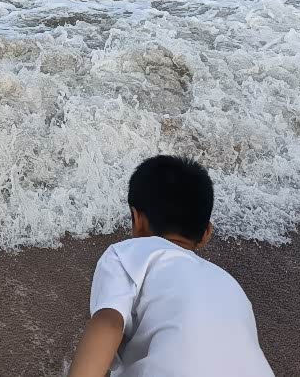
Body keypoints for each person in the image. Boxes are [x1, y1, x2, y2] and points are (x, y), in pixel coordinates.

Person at [68, 155, 274, 377]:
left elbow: (108, 324)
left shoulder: (128, 255)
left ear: (137, 219)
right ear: (206, 233)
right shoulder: (231, 286)